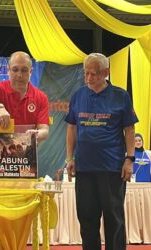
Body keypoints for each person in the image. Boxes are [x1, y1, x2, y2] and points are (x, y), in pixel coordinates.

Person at [65, 53, 138, 250]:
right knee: (87, 219)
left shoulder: (120, 95)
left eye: (94, 74)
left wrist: (129, 160)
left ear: (106, 73)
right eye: (86, 73)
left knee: (114, 218)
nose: (89, 78)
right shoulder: (78, 95)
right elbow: (71, 127)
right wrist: (69, 158)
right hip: (84, 168)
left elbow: (129, 130)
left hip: (112, 168)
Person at [0, 51, 50, 244]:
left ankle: (17, 244)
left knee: (21, 208)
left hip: (23, 166)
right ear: (8, 70)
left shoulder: (40, 97)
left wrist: (37, 136)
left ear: (31, 72)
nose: (19, 75)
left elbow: (44, 130)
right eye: (15, 70)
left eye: (24, 70)